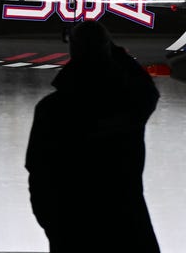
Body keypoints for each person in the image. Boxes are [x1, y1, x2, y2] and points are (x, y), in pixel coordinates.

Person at [25, 20, 160, 253]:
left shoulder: (52, 109)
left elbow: (38, 172)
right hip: (126, 224)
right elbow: (147, 90)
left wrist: (53, 225)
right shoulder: (127, 103)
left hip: (73, 226)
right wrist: (110, 47)